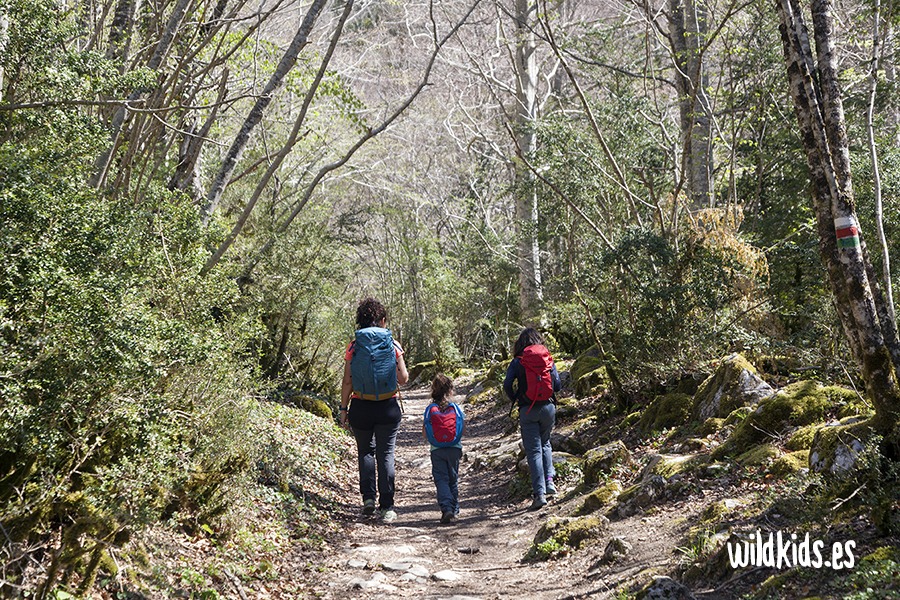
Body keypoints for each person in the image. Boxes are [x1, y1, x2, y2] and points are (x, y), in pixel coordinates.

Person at [340, 298, 409, 523]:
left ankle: (368, 500)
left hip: (361, 407)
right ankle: (387, 507)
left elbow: (347, 382)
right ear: (382, 320)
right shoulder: (393, 344)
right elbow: (404, 378)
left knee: (365, 453)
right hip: (387, 408)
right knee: (385, 454)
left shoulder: (354, 346)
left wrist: (343, 409)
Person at [503, 327, 561, 510]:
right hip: (548, 407)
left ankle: (539, 494)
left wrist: (517, 398)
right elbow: (557, 385)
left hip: (528, 409)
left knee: (534, 450)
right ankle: (550, 482)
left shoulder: (517, 361)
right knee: (546, 444)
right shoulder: (547, 358)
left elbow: (507, 385)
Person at [422, 374, 464, 524]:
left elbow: (425, 432)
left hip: (437, 449)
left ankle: (446, 509)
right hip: (454, 448)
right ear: (450, 390)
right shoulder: (456, 408)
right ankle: (455, 509)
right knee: (453, 479)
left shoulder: (430, 409)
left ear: (433, 390)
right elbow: (462, 429)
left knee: (441, 479)